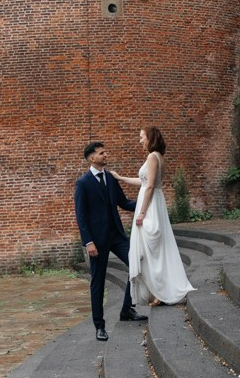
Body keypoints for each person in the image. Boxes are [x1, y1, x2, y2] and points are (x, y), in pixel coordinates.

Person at [111, 126, 195, 307]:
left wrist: (141, 212)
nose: (140, 140)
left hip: (150, 206)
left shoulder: (152, 157)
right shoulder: (157, 157)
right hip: (152, 202)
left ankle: (161, 291)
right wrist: (121, 178)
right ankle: (158, 291)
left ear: (150, 138)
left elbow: (149, 187)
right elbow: (143, 183)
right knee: (152, 250)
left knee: (152, 250)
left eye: (142, 137)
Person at [74, 140, 148, 341]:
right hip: (96, 241)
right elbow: (81, 215)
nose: (106, 155)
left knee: (136, 263)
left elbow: (123, 203)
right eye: (102, 153)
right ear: (92, 158)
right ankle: (99, 326)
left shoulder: (111, 178)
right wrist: (88, 242)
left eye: (105, 152)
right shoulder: (83, 183)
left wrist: (146, 206)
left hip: (116, 235)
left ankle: (126, 310)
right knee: (97, 282)